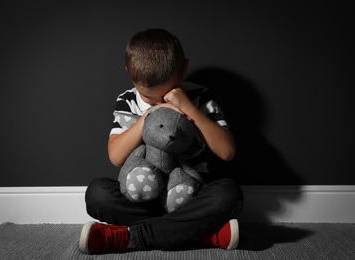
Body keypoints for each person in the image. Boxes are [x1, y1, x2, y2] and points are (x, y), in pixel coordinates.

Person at [79, 28, 243, 254]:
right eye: (148, 96)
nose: (159, 101)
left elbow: (227, 151)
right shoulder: (128, 101)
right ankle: (195, 233)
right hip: (140, 199)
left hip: (190, 196)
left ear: (184, 68)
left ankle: (129, 238)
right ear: (130, 73)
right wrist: (148, 116)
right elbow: (116, 156)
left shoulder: (200, 96)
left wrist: (185, 105)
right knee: (97, 193)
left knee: (229, 193)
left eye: (167, 92)